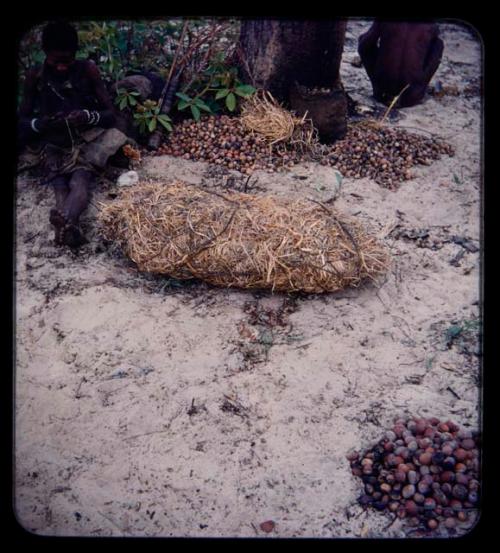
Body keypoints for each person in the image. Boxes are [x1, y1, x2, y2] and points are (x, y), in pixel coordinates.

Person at [18, 20, 130, 248]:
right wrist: (42, 123)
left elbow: (111, 114)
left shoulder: (87, 70)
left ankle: (66, 220)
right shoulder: (36, 76)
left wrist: (88, 116)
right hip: (51, 142)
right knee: (59, 181)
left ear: (76, 54)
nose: (61, 67)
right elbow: (22, 121)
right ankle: (70, 226)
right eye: (55, 61)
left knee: (80, 179)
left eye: (66, 61)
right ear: (45, 53)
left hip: (85, 139)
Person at [358, 21, 444, 108]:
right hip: (411, 97)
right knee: (438, 45)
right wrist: (420, 84)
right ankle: (417, 87)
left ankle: (381, 86)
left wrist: (376, 80)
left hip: (382, 91)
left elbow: (364, 46)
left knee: (364, 40)